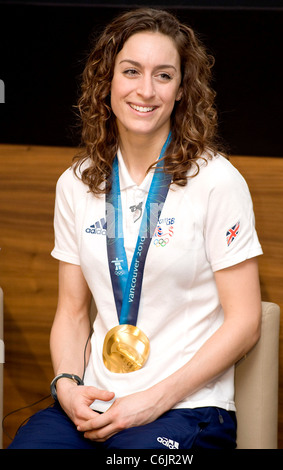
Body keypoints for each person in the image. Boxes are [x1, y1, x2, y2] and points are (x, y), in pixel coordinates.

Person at [8, 7, 263, 449]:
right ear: (107, 80)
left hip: (188, 410)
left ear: (183, 89)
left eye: (163, 76)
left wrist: (152, 401)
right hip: (97, 403)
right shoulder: (76, 182)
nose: (146, 90)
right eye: (131, 71)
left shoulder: (217, 180)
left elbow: (245, 322)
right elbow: (70, 312)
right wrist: (68, 387)